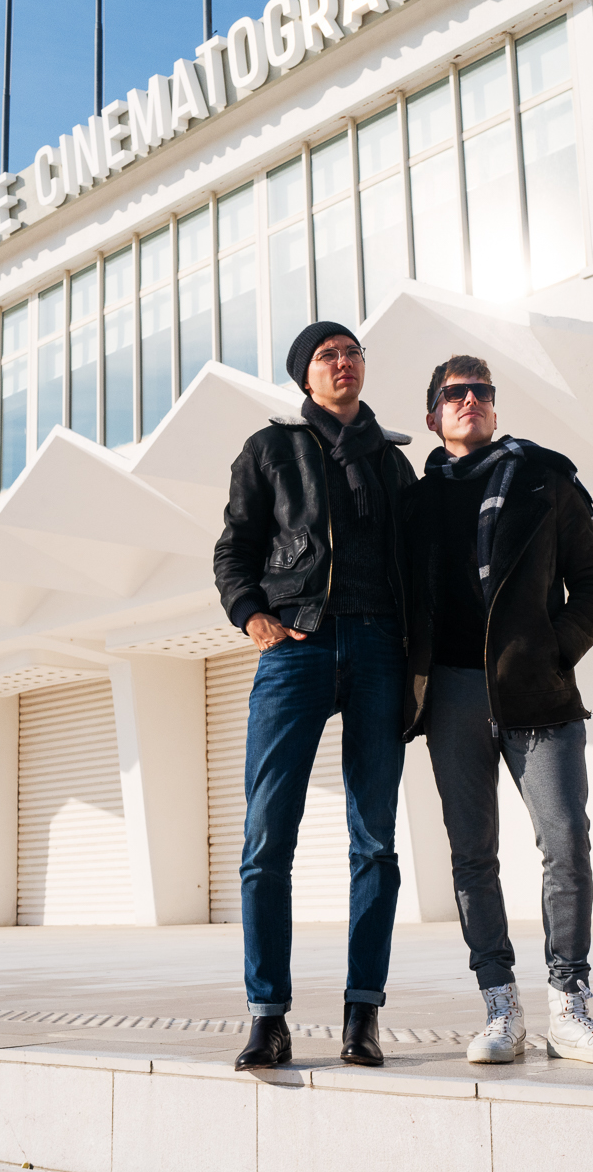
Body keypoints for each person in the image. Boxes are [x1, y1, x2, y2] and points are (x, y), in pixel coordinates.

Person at [407, 356, 593, 1064]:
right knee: (473, 857)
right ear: (433, 416)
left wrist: (553, 649)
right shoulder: (415, 501)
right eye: (455, 392)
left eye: (481, 391)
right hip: (451, 693)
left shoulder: (545, 479)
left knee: (565, 841)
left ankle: (569, 1007)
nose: (470, 399)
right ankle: (500, 1007)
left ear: (495, 408)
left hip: (539, 692)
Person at [212, 321, 420, 1071]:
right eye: (329, 355)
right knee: (267, 839)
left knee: (376, 842)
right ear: (306, 375)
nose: (344, 362)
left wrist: (415, 655)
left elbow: (419, 566)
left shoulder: (395, 464)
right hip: (298, 646)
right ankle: (268, 1016)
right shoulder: (271, 450)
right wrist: (254, 616)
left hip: (377, 649)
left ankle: (362, 1015)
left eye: (353, 352)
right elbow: (234, 547)